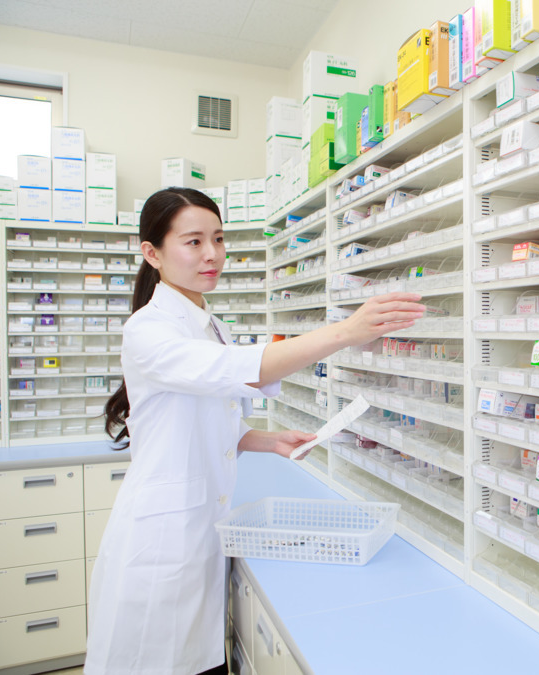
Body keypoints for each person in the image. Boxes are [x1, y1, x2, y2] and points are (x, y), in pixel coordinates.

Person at [85, 187, 424, 674]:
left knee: (198, 660)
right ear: (152, 253)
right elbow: (238, 368)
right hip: (162, 540)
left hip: (200, 530)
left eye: (218, 239)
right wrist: (346, 332)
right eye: (194, 241)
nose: (212, 254)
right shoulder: (148, 328)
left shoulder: (206, 323)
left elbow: (205, 408)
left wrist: (261, 440)